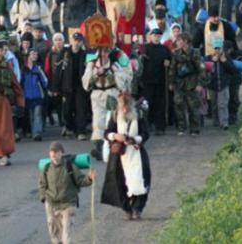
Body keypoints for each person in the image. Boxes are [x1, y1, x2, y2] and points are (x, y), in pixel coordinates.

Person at [101, 92, 151, 220]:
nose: (124, 109)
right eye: (121, 106)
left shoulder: (138, 115)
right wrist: (115, 136)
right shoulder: (115, 115)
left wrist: (135, 139)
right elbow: (107, 133)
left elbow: (145, 134)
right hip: (120, 154)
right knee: (120, 182)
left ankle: (137, 208)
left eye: (126, 106)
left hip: (136, 153)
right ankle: (127, 209)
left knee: (140, 179)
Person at [38, 141, 95, 244]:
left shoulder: (70, 166)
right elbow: (42, 184)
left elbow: (81, 180)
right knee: (54, 236)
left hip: (68, 204)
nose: (54, 154)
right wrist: (44, 198)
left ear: (61, 153)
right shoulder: (46, 168)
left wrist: (89, 178)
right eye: (52, 151)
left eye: (57, 151)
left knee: (66, 237)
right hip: (51, 204)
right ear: (49, 154)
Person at [168, 33, 204, 136]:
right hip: (179, 84)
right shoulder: (176, 54)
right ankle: (181, 128)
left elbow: (201, 69)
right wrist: (171, 82)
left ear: (186, 41)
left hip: (192, 83)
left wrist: (200, 83)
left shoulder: (195, 53)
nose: (178, 43)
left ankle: (194, 129)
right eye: (177, 41)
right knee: (178, 106)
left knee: (193, 107)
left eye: (180, 41)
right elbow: (172, 69)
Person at [139, 28, 172, 135]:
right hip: (147, 81)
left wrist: (168, 63)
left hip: (161, 81)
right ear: (150, 36)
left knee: (160, 105)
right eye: (155, 36)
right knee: (147, 104)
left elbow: (170, 60)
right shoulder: (145, 48)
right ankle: (147, 125)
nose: (157, 38)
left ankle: (160, 127)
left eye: (159, 36)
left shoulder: (165, 49)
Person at [206, 40, 237, 130]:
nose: (217, 50)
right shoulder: (208, 58)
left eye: (219, 48)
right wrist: (212, 62)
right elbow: (204, 70)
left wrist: (224, 62)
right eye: (216, 48)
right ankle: (216, 121)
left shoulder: (226, 58)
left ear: (222, 49)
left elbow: (233, 70)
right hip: (212, 85)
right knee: (214, 104)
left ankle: (224, 123)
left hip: (223, 85)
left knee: (222, 104)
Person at [21, 49, 48, 141]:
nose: (35, 56)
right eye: (32, 54)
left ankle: (37, 133)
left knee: (37, 114)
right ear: (28, 56)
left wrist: (43, 88)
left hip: (37, 95)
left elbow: (45, 81)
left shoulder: (38, 68)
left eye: (36, 54)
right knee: (30, 116)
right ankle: (32, 132)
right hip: (26, 96)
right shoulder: (23, 69)